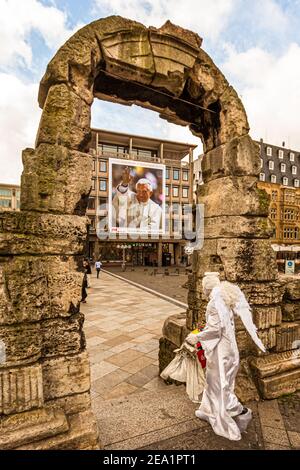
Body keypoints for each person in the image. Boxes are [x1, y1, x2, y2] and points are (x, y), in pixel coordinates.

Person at [186, 272, 266, 441]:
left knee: (219, 384)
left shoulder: (215, 302)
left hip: (220, 352)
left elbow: (216, 330)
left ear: (207, 288)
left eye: (203, 288)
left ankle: (235, 413)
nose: (203, 291)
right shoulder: (223, 296)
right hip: (229, 350)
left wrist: (196, 337)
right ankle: (208, 410)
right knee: (218, 383)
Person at [112, 167, 162, 232]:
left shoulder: (156, 208)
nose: (141, 194)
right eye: (139, 191)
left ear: (150, 193)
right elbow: (121, 194)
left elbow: (153, 229)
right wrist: (124, 183)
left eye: (144, 192)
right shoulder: (131, 196)